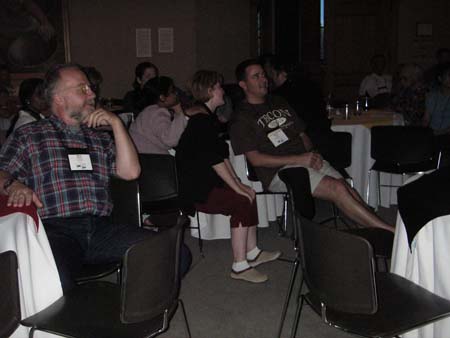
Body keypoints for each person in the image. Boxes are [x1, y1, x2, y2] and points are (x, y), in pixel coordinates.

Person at [0, 63, 190, 291]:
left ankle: (128, 310)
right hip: (56, 230)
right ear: (59, 98)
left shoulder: (98, 138)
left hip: (103, 229)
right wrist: (13, 184)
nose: (92, 94)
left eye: (90, 89)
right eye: (83, 89)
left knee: (177, 254)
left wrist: (116, 124)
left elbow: (131, 172)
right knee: (51, 280)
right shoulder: (30, 135)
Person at [230, 59, 394, 234]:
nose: (263, 79)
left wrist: (312, 155)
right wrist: (299, 159)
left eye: (263, 74)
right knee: (337, 189)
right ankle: (389, 232)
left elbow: (301, 133)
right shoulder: (241, 117)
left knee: (345, 186)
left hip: (305, 159)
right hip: (280, 171)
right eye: (256, 76)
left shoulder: (278, 101)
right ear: (243, 84)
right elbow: (255, 159)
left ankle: (371, 229)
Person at [176, 70, 281, 283]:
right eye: (218, 87)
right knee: (242, 200)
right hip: (196, 189)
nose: (223, 91)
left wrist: (239, 184)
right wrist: (236, 188)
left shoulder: (206, 117)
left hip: (205, 182)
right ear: (210, 91)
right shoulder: (200, 121)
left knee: (247, 193)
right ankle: (239, 266)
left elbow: (222, 157)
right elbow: (214, 160)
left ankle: (252, 252)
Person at [129, 76, 187, 154]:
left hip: (140, 156)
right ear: (162, 97)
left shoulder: (148, 111)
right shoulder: (158, 113)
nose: (176, 93)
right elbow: (171, 140)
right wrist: (178, 110)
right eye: (172, 91)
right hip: (150, 160)